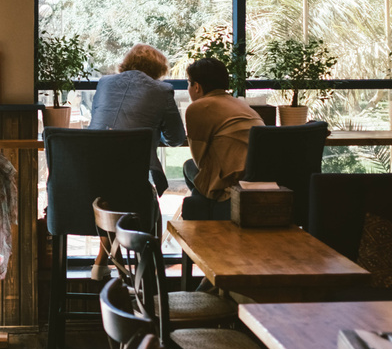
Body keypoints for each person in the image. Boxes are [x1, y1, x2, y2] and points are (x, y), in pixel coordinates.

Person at [86, 44, 186, 280]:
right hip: (132, 179)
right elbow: (176, 138)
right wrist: (153, 131)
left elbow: (101, 119)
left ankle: (107, 260)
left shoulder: (104, 83)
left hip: (89, 175)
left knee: (109, 196)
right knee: (147, 204)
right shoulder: (162, 91)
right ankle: (147, 276)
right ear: (158, 69)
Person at [183, 56, 264, 202]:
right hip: (257, 179)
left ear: (197, 87)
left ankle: (203, 209)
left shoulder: (198, 108)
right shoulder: (241, 104)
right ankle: (202, 207)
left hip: (229, 185)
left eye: (189, 83)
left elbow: (199, 162)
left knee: (188, 166)